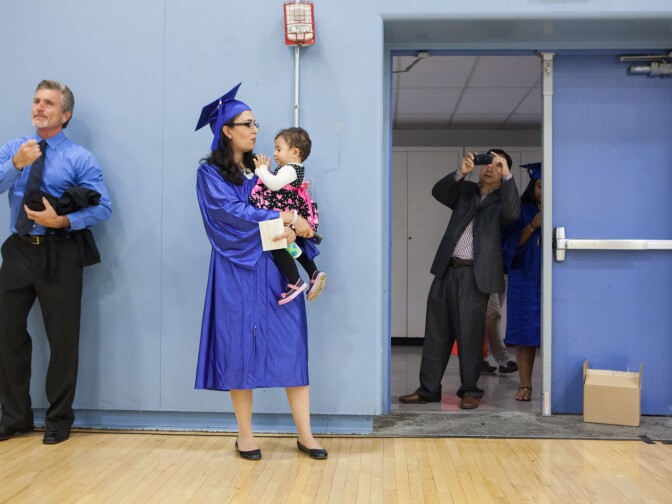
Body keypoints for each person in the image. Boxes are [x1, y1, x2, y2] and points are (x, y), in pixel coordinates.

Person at [194, 83, 327, 461]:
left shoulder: (267, 172)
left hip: (276, 269)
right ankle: (246, 435)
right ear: (227, 130)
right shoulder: (211, 175)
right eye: (247, 123)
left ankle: (306, 434)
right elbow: (229, 216)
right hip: (236, 270)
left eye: (255, 123)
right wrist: (281, 218)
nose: (255, 130)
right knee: (239, 347)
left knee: (291, 345)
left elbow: (296, 204)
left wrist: (301, 224)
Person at [0, 80, 112, 445]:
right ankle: (15, 417)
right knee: (7, 334)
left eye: (48, 103)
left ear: (65, 114)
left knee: (62, 339)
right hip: (18, 249)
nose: (39, 107)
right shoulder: (16, 149)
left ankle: (59, 419)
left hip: (60, 252)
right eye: (36, 100)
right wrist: (16, 165)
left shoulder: (79, 158)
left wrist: (62, 221)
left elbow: (103, 206)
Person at [399, 149, 520, 409]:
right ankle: (428, 389)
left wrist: (508, 176)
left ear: (504, 172)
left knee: (470, 335)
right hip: (446, 269)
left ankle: (470, 390)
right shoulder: (465, 191)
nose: (489, 168)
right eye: (487, 163)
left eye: (497, 165)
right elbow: (438, 192)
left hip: (475, 275)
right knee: (435, 333)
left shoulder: (503, 199)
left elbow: (513, 214)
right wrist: (460, 172)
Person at [249, 127, 326, 305]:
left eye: (278, 148)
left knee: (275, 242)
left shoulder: (290, 169)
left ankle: (295, 281)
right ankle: (313, 272)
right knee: (287, 244)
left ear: (294, 152)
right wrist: (266, 172)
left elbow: (274, 185)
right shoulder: (291, 169)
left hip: (286, 210)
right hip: (288, 209)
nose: (274, 153)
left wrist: (261, 170)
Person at [503, 163, 542, 402]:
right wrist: (532, 225)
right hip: (526, 279)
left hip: (555, 281)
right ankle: (525, 385)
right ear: (533, 186)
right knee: (526, 333)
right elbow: (509, 246)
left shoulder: (564, 208)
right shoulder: (520, 210)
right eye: (539, 186)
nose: (543, 191)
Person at [481, 278, 518, 375]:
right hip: (488, 273)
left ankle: (480, 359)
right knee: (493, 315)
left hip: (505, 272)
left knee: (489, 318)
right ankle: (503, 359)